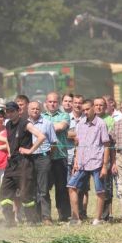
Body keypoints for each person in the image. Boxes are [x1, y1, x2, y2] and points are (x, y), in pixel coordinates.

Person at [0, 101, 45, 226]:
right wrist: (9, 152)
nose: (9, 114)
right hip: (11, 163)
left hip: (24, 163)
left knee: (26, 194)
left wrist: (30, 150)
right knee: (4, 192)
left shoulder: (25, 123)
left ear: (18, 111)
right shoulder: (8, 124)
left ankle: (32, 221)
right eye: (7, 111)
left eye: (12, 111)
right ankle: (9, 221)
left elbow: (41, 136)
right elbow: (9, 140)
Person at [68, 99, 110, 225]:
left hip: (97, 162)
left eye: (87, 109)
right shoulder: (80, 123)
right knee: (71, 187)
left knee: (100, 191)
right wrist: (76, 160)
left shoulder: (101, 124)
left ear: (93, 108)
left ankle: (97, 219)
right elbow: (78, 144)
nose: (85, 112)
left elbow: (107, 145)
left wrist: (104, 166)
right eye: (83, 110)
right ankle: (76, 218)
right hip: (82, 163)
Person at [28, 101, 57, 225]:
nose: (35, 111)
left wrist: (48, 158)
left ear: (40, 110)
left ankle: (46, 217)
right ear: (28, 110)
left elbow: (53, 143)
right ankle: (34, 217)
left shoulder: (47, 123)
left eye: (37, 109)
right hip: (28, 159)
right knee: (31, 188)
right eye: (33, 109)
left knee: (43, 188)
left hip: (43, 158)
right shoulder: (25, 124)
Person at [44, 92, 72, 221]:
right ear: (46, 103)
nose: (52, 104)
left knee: (61, 188)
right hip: (44, 157)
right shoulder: (41, 116)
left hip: (60, 156)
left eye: (55, 101)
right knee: (44, 188)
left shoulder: (64, 115)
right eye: (50, 101)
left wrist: (42, 128)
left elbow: (61, 126)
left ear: (58, 103)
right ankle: (45, 216)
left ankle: (64, 215)